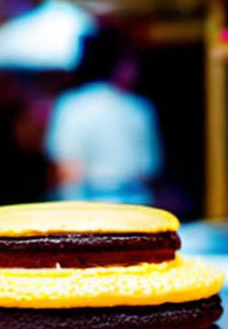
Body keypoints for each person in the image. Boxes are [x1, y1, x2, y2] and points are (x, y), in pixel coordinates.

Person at [44, 28, 162, 205]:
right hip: (135, 205)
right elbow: (148, 170)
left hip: (90, 208)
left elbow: (68, 170)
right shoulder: (139, 108)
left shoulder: (72, 105)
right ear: (119, 65)